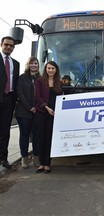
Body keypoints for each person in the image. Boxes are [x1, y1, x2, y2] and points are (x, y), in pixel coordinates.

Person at [35, 61, 62, 173]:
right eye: (48, 68)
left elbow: (61, 96)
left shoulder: (59, 82)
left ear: (56, 70)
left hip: (54, 114)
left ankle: (47, 163)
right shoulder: (40, 81)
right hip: (42, 112)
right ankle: (41, 163)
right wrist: (46, 107)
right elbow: (38, 96)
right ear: (45, 69)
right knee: (41, 137)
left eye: (53, 68)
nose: (50, 70)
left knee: (49, 137)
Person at [15, 57, 41, 169]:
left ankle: (36, 158)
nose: (33, 65)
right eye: (31, 63)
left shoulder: (41, 78)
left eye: (35, 63)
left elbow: (42, 94)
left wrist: (36, 107)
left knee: (36, 136)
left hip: (37, 112)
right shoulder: (22, 78)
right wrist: (29, 107)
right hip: (23, 112)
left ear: (38, 65)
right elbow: (20, 93)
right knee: (24, 135)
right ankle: (24, 158)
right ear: (28, 65)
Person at [0, 36, 20, 169]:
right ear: (1, 45)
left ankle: (3, 159)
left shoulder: (16, 63)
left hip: (9, 99)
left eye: (11, 45)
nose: (8, 47)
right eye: (6, 44)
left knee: (5, 131)